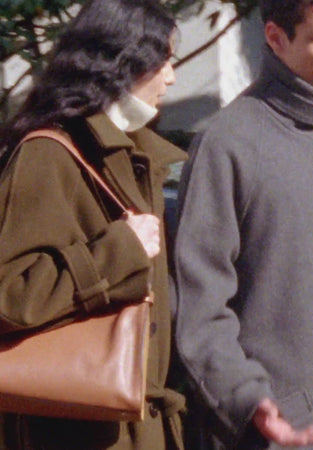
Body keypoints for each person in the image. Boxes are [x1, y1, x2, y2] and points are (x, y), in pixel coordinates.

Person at [173, 0, 313, 448]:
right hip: (278, 436)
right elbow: (199, 308)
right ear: (276, 39)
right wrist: (246, 398)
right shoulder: (226, 145)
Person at [0, 0, 186, 448]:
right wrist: (117, 253)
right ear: (122, 60)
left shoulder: (136, 155)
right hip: (73, 428)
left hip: (135, 425)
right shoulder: (47, 154)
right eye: (163, 60)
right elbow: (9, 295)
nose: (171, 77)